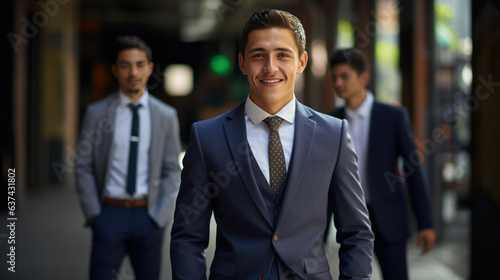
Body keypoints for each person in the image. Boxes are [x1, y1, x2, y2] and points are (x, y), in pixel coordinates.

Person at [170, 9, 374, 280]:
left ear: (301, 62)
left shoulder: (333, 135)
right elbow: (187, 237)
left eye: (282, 55)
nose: (270, 67)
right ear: (242, 63)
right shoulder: (207, 137)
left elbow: (357, 233)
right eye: (258, 55)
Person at [75, 35, 181, 280]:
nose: (133, 72)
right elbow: (83, 165)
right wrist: (94, 214)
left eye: (140, 64)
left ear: (150, 68)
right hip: (109, 214)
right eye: (125, 65)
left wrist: (160, 215)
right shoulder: (97, 113)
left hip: (149, 216)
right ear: (115, 70)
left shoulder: (166, 116)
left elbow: (171, 170)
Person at [325, 47, 436, 280]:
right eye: (334, 77)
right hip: (349, 220)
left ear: (363, 77)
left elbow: (413, 169)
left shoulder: (393, 116)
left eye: (345, 76)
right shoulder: (331, 121)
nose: (338, 83)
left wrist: (425, 223)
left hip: (389, 217)